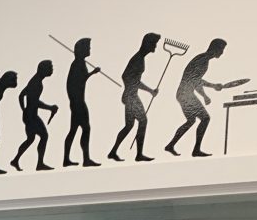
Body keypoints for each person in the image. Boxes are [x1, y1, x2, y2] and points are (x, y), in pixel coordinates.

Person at [165, 37, 229, 157]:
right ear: (216, 48)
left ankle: (170, 145)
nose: (222, 52)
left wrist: (206, 93)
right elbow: (195, 80)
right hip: (185, 94)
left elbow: (195, 80)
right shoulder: (203, 60)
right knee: (205, 119)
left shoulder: (203, 59)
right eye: (222, 49)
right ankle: (196, 150)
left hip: (184, 93)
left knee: (191, 121)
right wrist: (211, 88)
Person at [108, 32, 161, 162]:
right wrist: (148, 90)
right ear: (148, 44)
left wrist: (147, 90)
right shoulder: (138, 59)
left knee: (129, 126)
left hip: (130, 95)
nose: (155, 46)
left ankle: (113, 152)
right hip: (131, 97)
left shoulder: (140, 58)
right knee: (143, 121)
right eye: (154, 44)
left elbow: (133, 79)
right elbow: (126, 76)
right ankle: (139, 155)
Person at [10, 60, 59, 171]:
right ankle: (39, 163)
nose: (52, 70)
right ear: (43, 69)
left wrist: (23, 109)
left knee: (30, 139)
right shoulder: (36, 83)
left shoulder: (35, 80)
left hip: (29, 115)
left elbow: (22, 95)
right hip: (31, 117)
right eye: (50, 68)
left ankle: (15, 160)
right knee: (44, 136)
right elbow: (34, 102)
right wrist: (50, 107)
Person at [62, 37, 101, 168]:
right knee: (85, 129)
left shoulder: (79, 63)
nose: (89, 49)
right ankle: (85, 159)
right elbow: (74, 83)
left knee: (74, 130)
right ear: (81, 50)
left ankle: (68, 159)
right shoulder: (77, 64)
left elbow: (78, 81)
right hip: (78, 103)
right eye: (88, 47)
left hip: (77, 102)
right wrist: (92, 73)